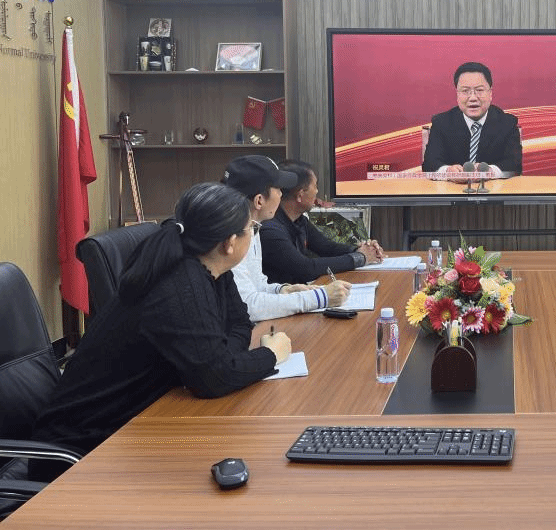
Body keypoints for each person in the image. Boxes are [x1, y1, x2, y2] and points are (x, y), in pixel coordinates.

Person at [31, 182, 291, 470]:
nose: (253, 234)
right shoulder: (180, 283)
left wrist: (221, 359)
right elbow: (213, 378)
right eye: (251, 229)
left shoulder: (212, 267)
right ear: (230, 243)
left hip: (133, 425)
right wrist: (270, 354)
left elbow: (239, 324)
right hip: (81, 449)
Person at [222, 155, 351, 321]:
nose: (281, 194)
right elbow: (248, 305)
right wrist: (321, 297)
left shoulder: (253, 227)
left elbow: (257, 284)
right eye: (278, 189)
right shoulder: (231, 236)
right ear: (259, 201)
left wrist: (283, 290)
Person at [260, 159, 385, 285]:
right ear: (300, 195)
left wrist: (361, 249)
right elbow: (306, 268)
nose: (317, 191)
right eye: (315, 186)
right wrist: (361, 258)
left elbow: (327, 247)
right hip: (282, 295)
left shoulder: (299, 220)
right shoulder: (270, 230)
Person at [422, 61, 523, 180]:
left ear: (490, 93)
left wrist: (490, 171)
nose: (473, 98)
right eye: (465, 91)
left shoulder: (507, 123)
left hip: (493, 190)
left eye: (479, 90)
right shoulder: (441, 123)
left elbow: (514, 165)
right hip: (452, 190)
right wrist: (448, 172)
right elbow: (429, 165)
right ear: (457, 94)